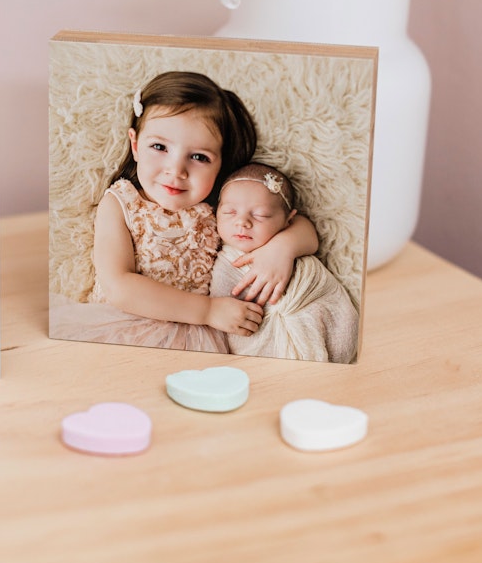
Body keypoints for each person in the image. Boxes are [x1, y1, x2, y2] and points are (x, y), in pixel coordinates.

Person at [84, 71, 319, 352]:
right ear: (135, 145)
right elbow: (118, 287)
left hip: (201, 340)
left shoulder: (219, 205)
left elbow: (297, 224)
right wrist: (207, 311)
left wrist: (282, 249)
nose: (176, 170)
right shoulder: (121, 203)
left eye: (199, 157)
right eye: (159, 147)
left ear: (221, 164)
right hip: (126, 331)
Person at [210, 163, 359, 363]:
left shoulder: (290, 239)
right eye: (229, 212)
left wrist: (281, 251)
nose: (242, 222)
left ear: (288, 220)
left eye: (260, 215)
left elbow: (311, 245)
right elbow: (222, 309)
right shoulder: (222, 259)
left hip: (311, 308)